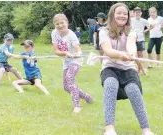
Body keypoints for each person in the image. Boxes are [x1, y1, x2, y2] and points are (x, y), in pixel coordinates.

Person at [99, 3, 154, 135]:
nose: (122, 15)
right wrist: (120, 55)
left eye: (125, 13)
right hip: (110, 67)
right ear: (112, 14)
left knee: (133, 90)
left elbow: (131, 46)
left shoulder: (132, 31)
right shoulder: (103, 31)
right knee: (110, 84)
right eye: (119, 13)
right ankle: (109, 129)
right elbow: (107, 50)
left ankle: (146, 130)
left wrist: (130, 54)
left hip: (128, 68)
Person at [51, 14, 94, 113]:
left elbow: (78, 49)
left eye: (62, 23)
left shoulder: (71, 35)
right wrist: (65, 53)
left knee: (70, 78)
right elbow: (56, 51)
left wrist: (76, 54)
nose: (60, 25)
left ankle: (77, 105)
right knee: (66, 87)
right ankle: (87, 97)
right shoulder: (54, 33)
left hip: (76, 60)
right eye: (57, 24)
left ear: (67, 23)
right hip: (66, 60)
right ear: (54, 25)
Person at [131, 7, 153, 73]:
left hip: (141, 39)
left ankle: (139, 69)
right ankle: (134, 68)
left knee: (140, 54)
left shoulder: (144, 20)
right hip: (132, 39)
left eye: (139, 12)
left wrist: (145, 31)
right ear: (134, 13)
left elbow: (152, 26)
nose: (137, 13)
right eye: (136, 12)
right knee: (134, 55)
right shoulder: (130, 20)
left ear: (141, 13)